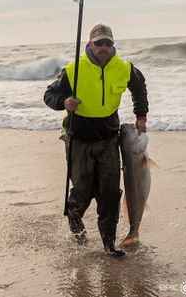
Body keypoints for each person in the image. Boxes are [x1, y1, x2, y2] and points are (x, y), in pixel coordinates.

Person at [44, 23, 149, 258]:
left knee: (110, 192)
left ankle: (109, 243)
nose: (103, 47)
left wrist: (141, 115)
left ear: (113, 45)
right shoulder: (73, 70)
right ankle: (74, 215)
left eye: (107, 43)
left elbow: (139, 88)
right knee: (83, 191)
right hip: (78, 139)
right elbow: (49, 95)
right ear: (89, 45)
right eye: (98, 43)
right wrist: (64, 103)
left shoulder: (125, 69)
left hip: (109, 138)